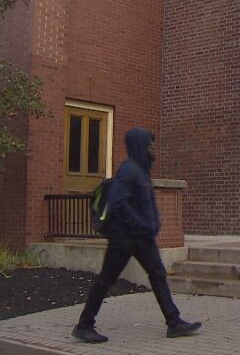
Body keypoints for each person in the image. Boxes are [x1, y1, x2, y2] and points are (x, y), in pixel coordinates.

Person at [72, 128, 202, 343]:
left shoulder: (142, 170)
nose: (153, 148)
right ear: (139, 145)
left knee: (158, 275)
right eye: (149, 144)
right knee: (106, 279)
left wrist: (151, 225)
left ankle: (174, 322)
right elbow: (118, 203)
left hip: (143, 238)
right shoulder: (128, 170)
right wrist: (141, 224)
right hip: (124, 238)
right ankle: (84, 325)